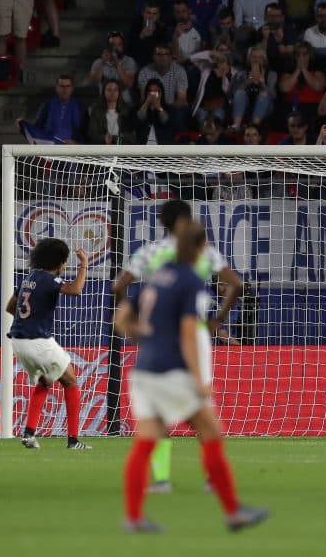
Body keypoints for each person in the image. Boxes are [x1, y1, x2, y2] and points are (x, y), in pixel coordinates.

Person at [115, 221, 267, 533]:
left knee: (146, 442)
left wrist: (143, 336)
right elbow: (188, 332)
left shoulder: (156, 278)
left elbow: (121, 320)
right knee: (211, 432)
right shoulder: (191, 282)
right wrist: (199, 378)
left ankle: (133, 517)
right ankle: (233, 511)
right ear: (200, 248)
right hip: (173, 371)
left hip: (143, 370)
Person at [112, 200, 243, 494]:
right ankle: (212, 477)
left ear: (163, 222)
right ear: (188, 221)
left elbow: (119, 286)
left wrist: (133, 321)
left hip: (156, 335)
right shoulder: (204, 251)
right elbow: (235, 284)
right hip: (194, 333)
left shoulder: (149, 252)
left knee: (155, 412)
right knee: (202, 407)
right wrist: (217, 320)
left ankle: (161, 480)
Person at [5, 238, 91, 451]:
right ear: (59, 263)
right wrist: (83, 264)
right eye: (65, 262)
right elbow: (76, 290)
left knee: (45, 382)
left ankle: (29, 434)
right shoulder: (50, 280)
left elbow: (10, 307)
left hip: (18, 342)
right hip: (38, 341)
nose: (65, 266)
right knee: (70, 381)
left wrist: (27, 320)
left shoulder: (28, 278)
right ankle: (73, 441)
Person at [89, 32, 139, 106]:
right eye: (112, 45)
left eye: (119, 45)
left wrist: (117, 64)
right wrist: (102, 63)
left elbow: (129, 83)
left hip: (125, 103)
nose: (116, 48)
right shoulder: (98, 62)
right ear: (107, 47)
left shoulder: (129, 61)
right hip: (104, 103)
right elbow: (93, 82)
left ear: (123, 46)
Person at [88, 79, 136, 145]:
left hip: (122, 147)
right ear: (104, 92)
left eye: (115, 90)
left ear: (119, 92)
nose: (112, 93)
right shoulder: (97, 111)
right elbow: (92, 134)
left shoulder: (127, 110)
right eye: (109, 90)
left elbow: (132, 135)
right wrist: (104, 138)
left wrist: (116, 138)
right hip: (103, 147)